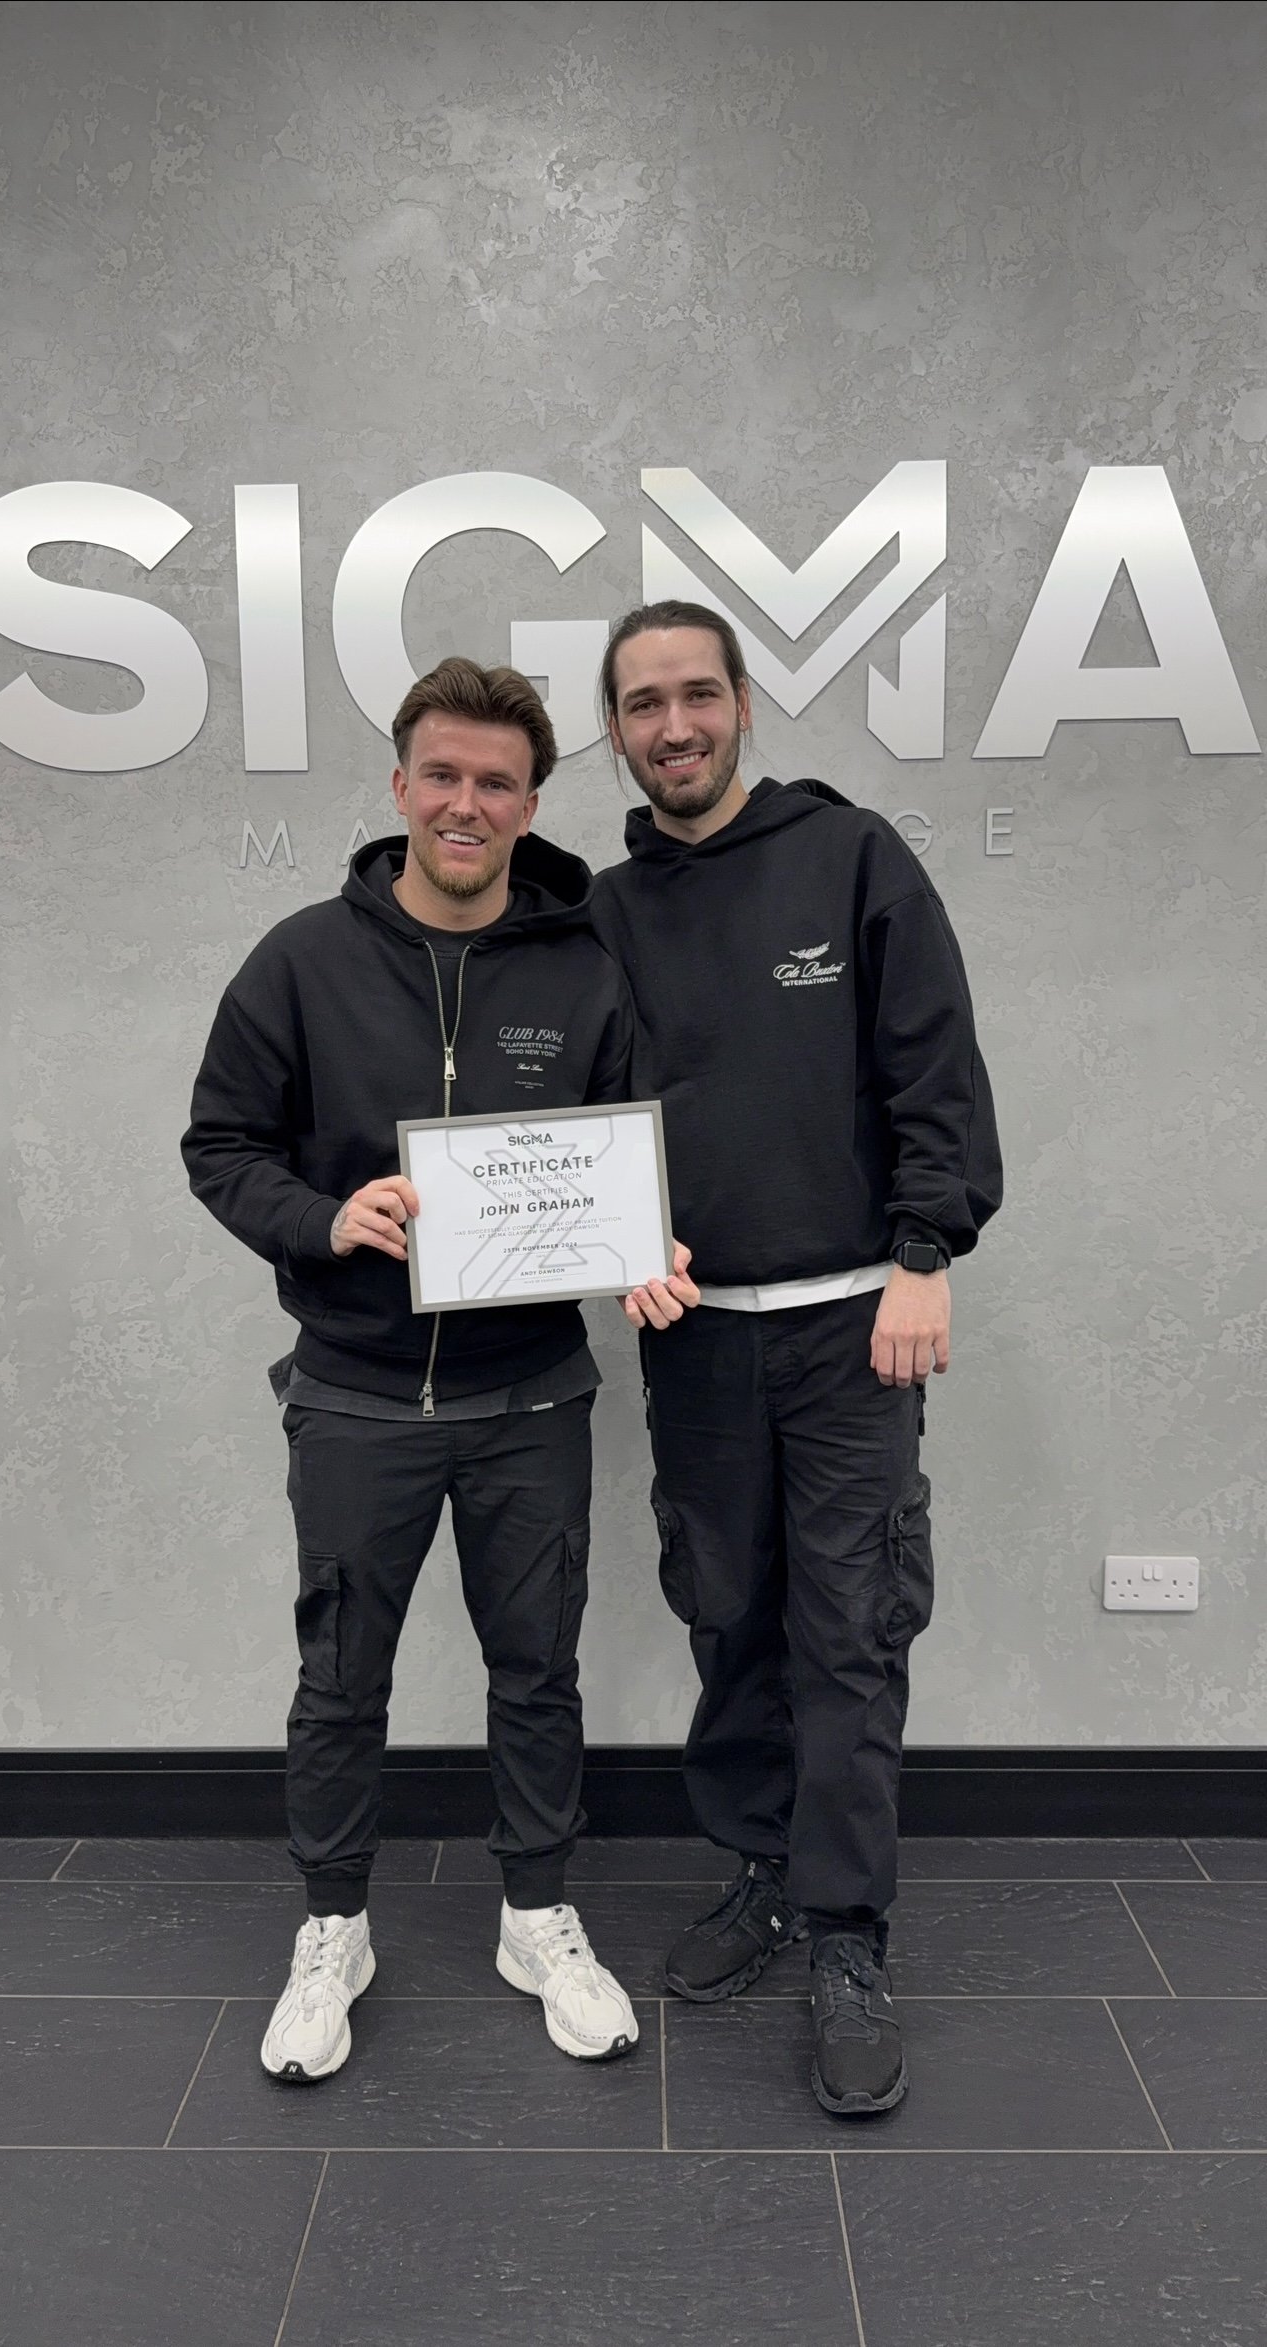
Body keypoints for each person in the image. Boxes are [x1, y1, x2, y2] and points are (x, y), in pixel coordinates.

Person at [182, 656, 697, 2083]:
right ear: (402, 784)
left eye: (498, 784)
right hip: (355, 1394)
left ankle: (536, 1917)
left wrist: (643, 1241)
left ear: (532, 803)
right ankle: (332, 1930)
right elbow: (220, 1145)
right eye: (445, 776)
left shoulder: (585, 969)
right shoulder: (301, 959)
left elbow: (627, 1152)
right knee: (340, 1679)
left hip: (532, 1395)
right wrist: (322, 1218)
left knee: (538, 1671)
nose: (467, 805)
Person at [593, 600, 1003, 2116]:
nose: (675, 726)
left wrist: (924, 1253)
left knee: (850, 1631)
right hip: (695, 1339)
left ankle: (846, 1936)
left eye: (697, 694)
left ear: (743, 705)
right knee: (728, 1615)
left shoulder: (853, 858)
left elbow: (933, 1065)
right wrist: (616, 1238)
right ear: (616, 730)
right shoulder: (604, 912)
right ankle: (762, 1870)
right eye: (645, 704)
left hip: (854, 1332)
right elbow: (581, 1118)